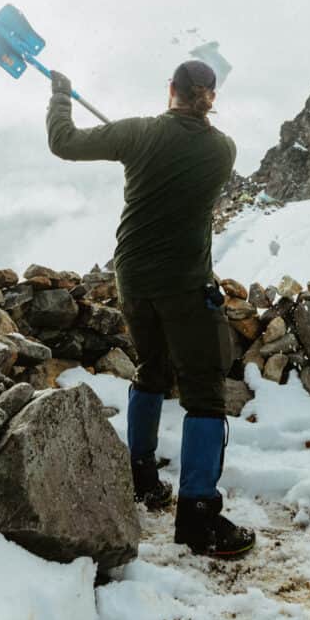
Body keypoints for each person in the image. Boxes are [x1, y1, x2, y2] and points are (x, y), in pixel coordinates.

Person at [46, 59, 255, 559]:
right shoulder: (222, 149)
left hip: (133, 279)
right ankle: (199, 514)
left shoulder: (138, 133)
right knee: (204, 392)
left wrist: (61, 96)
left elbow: (64, 142)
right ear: (210, 96)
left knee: (150, 370)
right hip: (185, 283)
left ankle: (141, 475)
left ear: (172, 90)